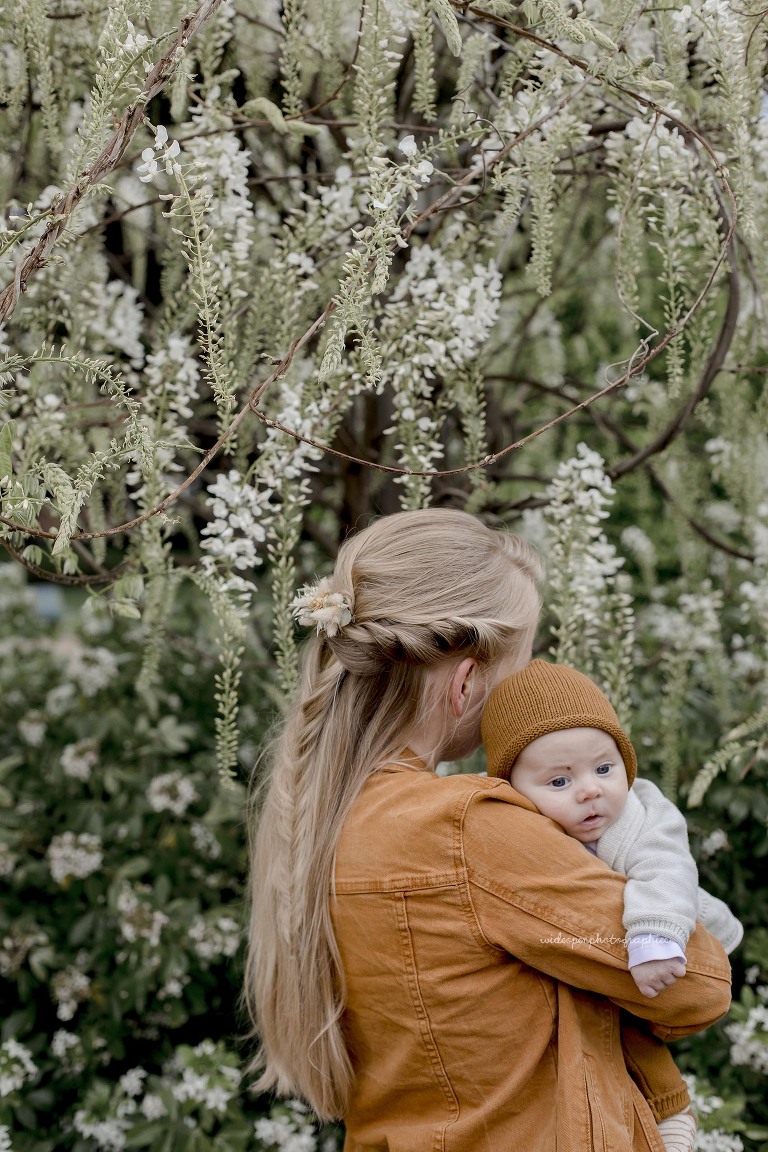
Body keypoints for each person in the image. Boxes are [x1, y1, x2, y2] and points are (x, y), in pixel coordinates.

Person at [244, 508, 733, 1151]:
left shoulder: (330, 820)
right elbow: (697, 985)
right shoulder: (469, 828)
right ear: (468, 682)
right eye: (521, 666)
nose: (528, 683)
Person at [481, 658, 743, 1152]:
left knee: (627, 1020)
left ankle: (671, 1108)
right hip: (592, 945)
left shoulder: (643, 815)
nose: (590, 790)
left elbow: (666, 871)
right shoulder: (519, 831)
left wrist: (654, 937)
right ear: (511, 790)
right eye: (559, 782)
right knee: (594, 1016)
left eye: (605, 768)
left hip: (676, 928)